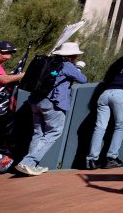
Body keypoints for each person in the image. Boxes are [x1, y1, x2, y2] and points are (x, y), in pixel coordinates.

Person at [15, 42, 87, 176]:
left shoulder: (50, 64)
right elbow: (83, 80)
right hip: (52, 103)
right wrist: (78, 69)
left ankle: (31, 165)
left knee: (38, 133)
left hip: (35, 101)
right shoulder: (68, 66)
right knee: (54, 132)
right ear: (74, 55)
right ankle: (27, 163)